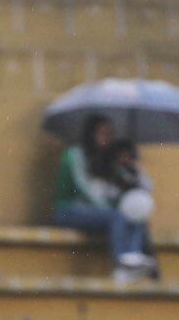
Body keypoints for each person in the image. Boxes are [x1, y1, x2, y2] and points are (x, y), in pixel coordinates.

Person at [52, 114, 152, 279]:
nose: (106, 139)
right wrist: (112, 207)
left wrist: (135, 170)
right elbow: (83, 187)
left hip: (97, 211)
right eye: (102, 134)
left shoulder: (106, 159)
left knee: (136, 215)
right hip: (69, 209)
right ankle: (122, 264)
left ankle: (133, 257)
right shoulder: (74, 154)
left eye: (109, 135)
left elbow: (140, 189)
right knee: (117, 216)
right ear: (91, 133)